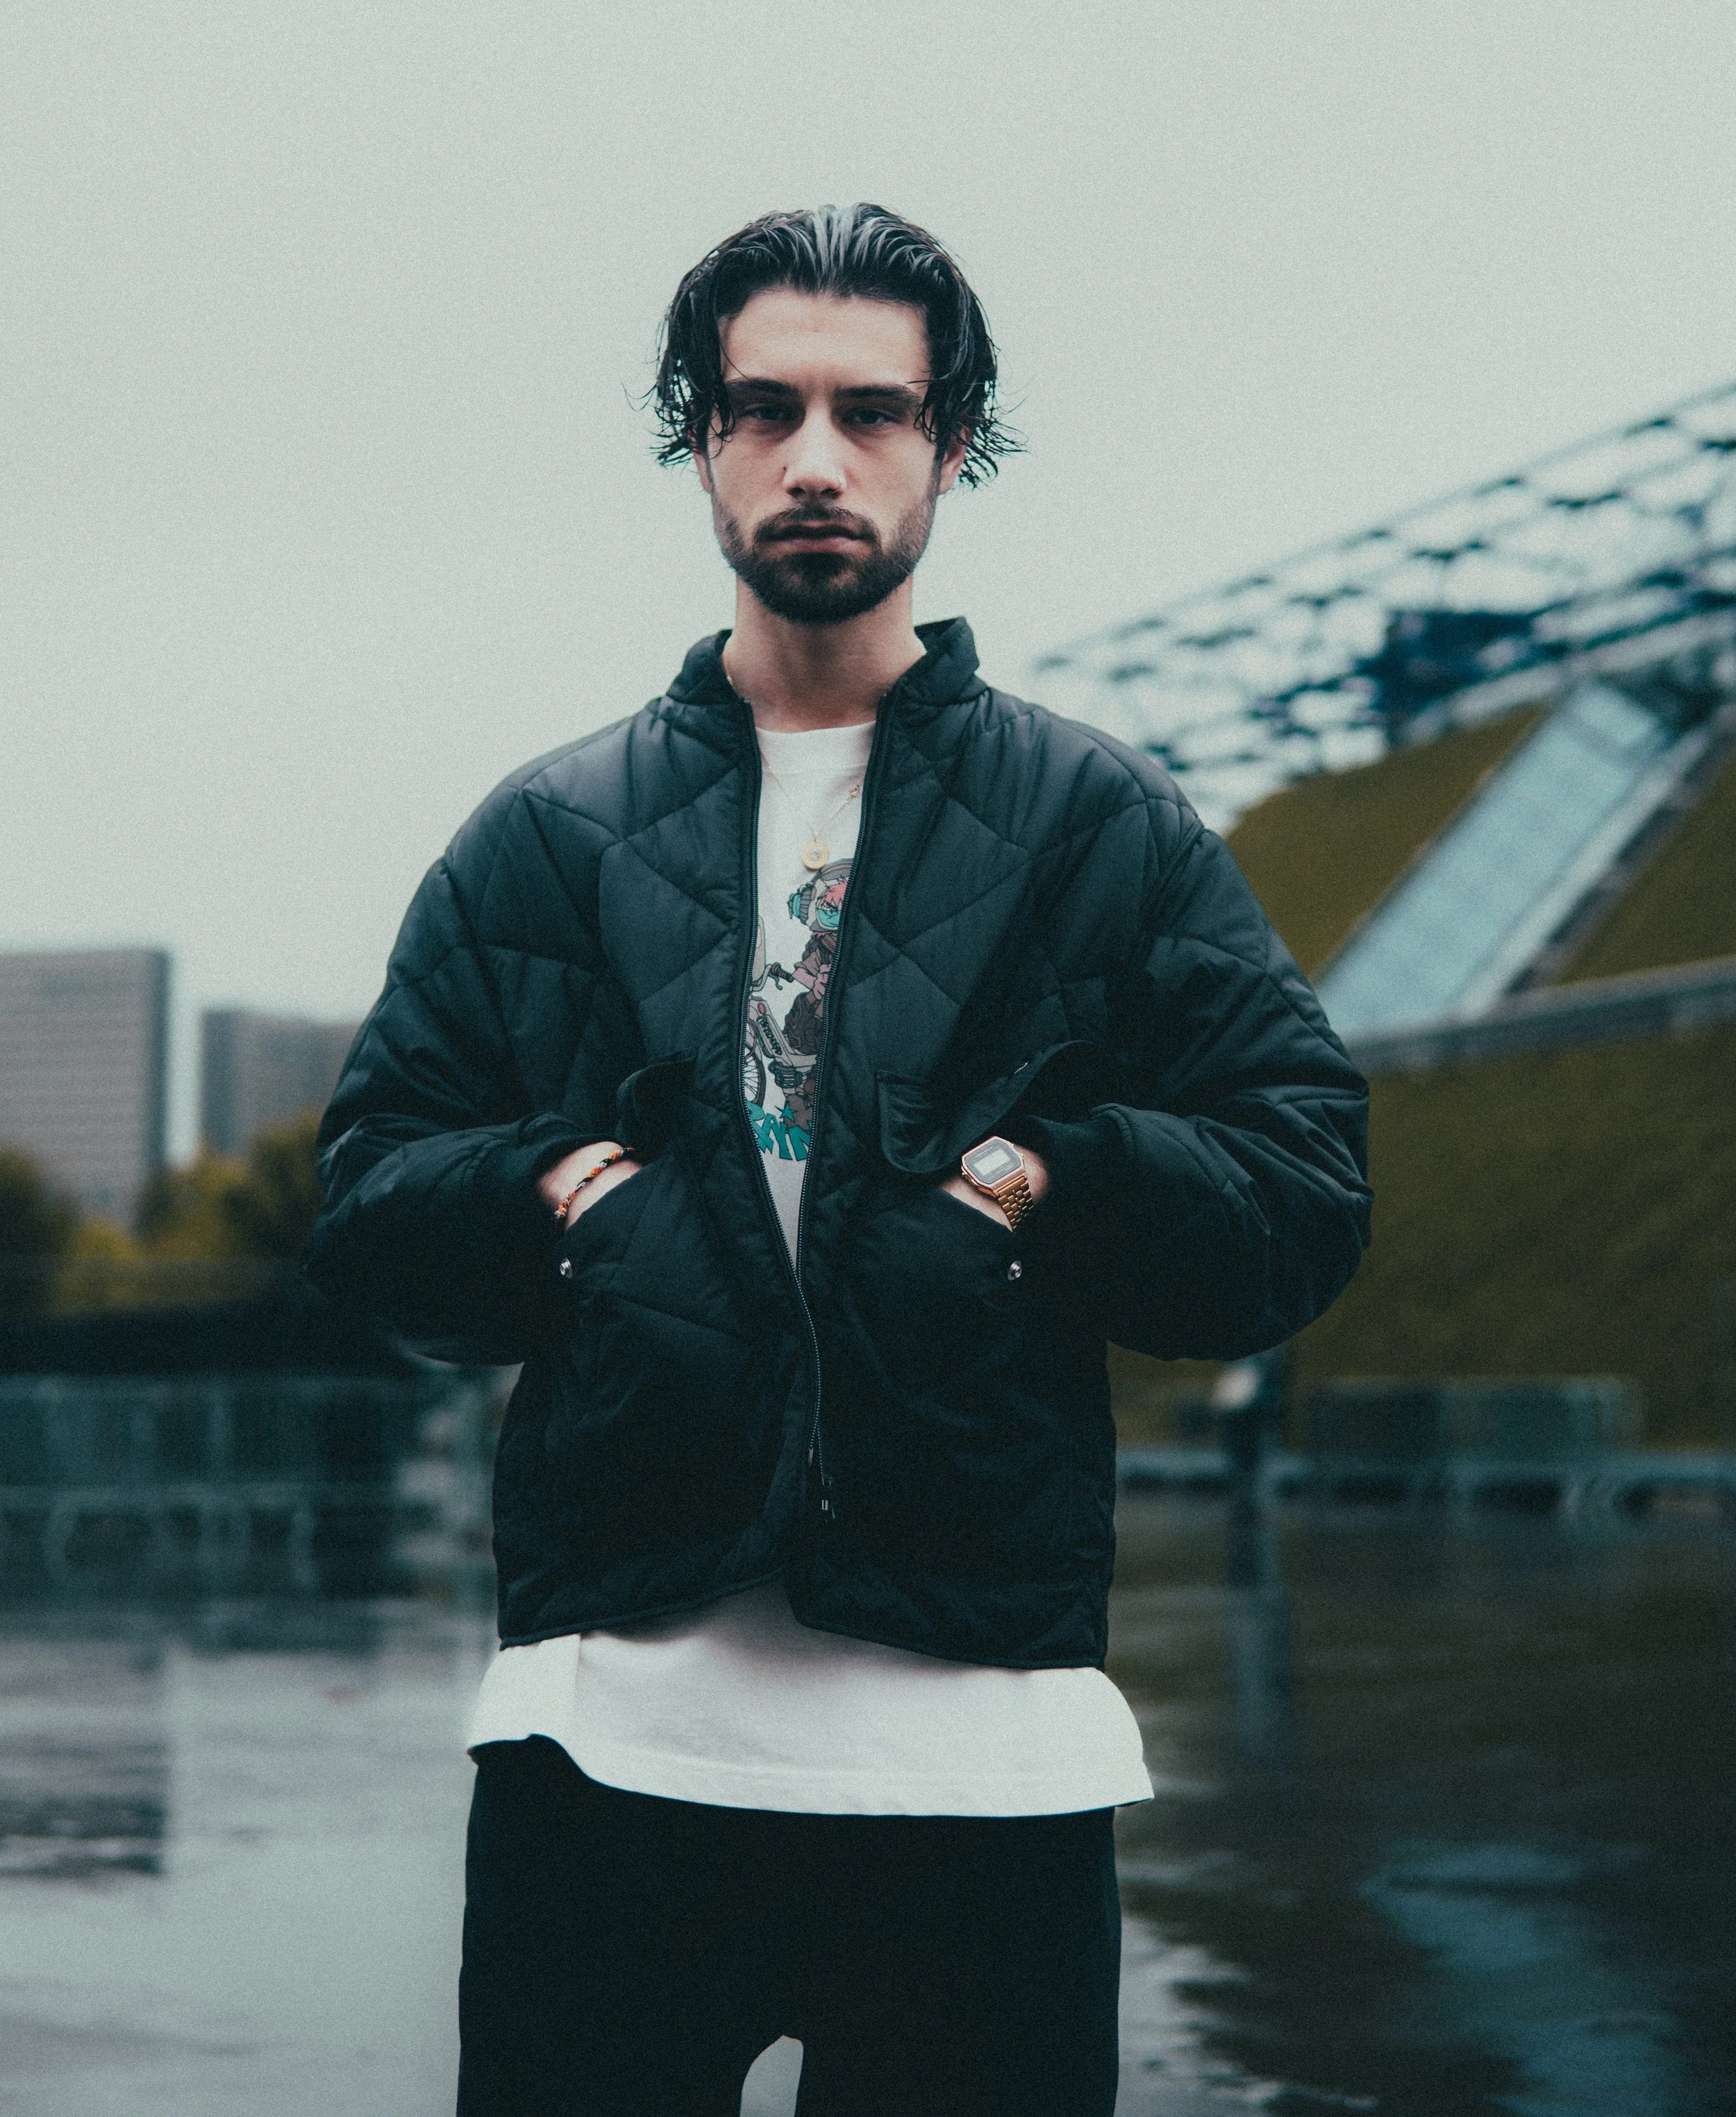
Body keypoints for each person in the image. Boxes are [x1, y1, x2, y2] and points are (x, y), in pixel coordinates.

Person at [308, 204, 1371, 2116]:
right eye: (762, 407)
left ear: (948, 446)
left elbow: (1298, 1184)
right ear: (697, 440)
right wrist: (561, 1194)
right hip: (607, 1750)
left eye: (871, 411)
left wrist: (1046, 1184)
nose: (816, 457)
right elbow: (374, 1190)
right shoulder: (544, 837)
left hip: (984, 1766)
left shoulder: (1093, 823)